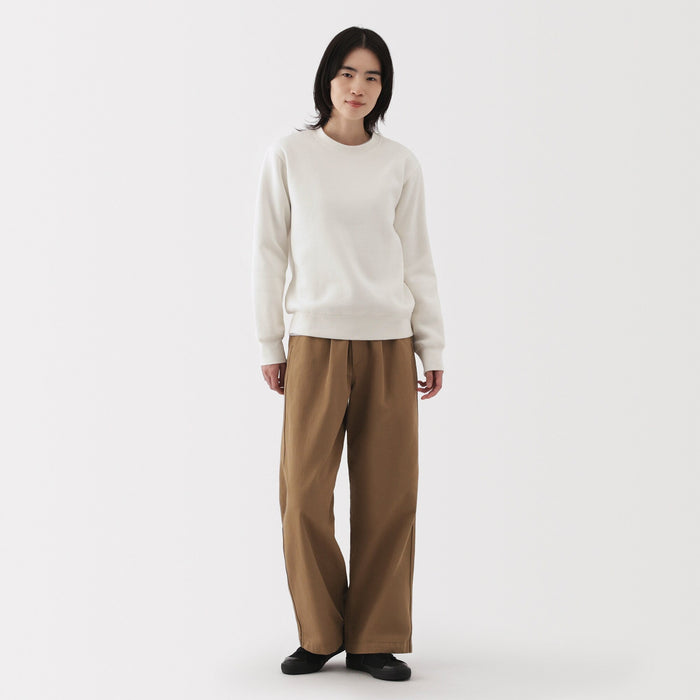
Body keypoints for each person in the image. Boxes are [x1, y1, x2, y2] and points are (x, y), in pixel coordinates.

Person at [252, 26, 446, 682]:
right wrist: (269, 340)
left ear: (383, 88)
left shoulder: (400, 164)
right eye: (347, 74)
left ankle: (373, 639)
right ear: (326, 79)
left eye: (372, 77)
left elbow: (417, 258)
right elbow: (268, 252)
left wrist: (431, 343)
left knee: (389, 494)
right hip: (313, 340)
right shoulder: (290, 155)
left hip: (390, 343)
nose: (358, 88)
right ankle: (319, 631)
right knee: (303, 494)